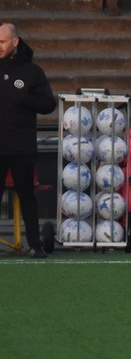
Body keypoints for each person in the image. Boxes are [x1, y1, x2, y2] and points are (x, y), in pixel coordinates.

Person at [0, 23, 56, 259]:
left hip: (22, 146)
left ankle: (35, 244)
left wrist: (25, 99)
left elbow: (48, 104)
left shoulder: (32, 72)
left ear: (15, 42)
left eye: (3, 41)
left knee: (27, 195)